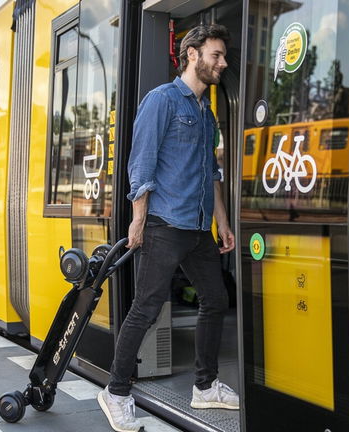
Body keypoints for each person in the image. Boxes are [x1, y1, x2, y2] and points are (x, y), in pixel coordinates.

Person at [97, 24, 238, 432]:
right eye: (216, 55)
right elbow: (140, 163)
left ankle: (205, 386)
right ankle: (117, 391)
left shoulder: (205, 111)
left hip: (196, 228)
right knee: (146, 307)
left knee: (215, 298)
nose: (222, 63)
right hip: (163, 224)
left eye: (223, 56)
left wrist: (222, 223)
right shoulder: (162, 101)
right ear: (192, 54)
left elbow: (212, 171)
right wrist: (138, 219)